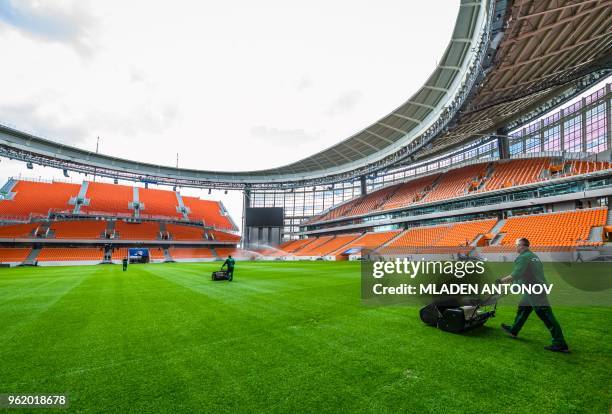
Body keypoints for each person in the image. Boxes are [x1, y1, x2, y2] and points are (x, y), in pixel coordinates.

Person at [497, 238, 569, 353]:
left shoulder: (523, 257)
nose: (516, 247)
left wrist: (500, 281)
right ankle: (514, 330)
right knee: (523, 308)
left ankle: (559, 343)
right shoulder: (533, 256)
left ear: (523, 246)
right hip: (533, 289)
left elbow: (516, 274)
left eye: (517, 245)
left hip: (535, 291)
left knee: (546, 315)